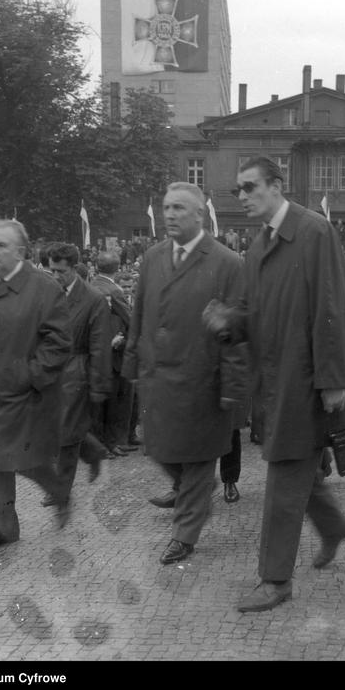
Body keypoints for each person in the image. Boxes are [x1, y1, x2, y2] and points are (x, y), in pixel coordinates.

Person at [204, 156, 345, 613]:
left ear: (276, 185)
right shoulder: (260, 243)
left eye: (250, 187)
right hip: (273, 381)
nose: (243, 196)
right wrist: (227, 322)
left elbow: (332, 309)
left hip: (304, 382)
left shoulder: (314, 232)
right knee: (295, 471)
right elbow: (251, 312)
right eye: (238, 190)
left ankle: (275, 581)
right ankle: (333, 527)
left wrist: (332, 380)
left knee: (283, 482)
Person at [122, 183, 247, 566]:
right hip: (158, 374)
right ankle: (190, 490)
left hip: (201, 380)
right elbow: (140, 313)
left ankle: (185, 533)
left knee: (198, 457)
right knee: (158, 448)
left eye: (179, 208)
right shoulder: (153, 256)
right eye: (166, 207)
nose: (170, 215)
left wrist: (233, 388)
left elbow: (238, 335)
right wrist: (132, 362)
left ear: (199, 215)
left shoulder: (227, 263)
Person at [0, 219, 72, 552]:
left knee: (21, 459)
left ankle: (58, 488)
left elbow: (60, 343)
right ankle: (4, 527)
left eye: (1, 245)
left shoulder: (43, 287)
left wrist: (28, 376)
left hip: (20, 395)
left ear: (20, 251)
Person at [40, 242, 112, 502]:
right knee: (56, 428)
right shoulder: (48, 294)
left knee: (67, 431)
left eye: (61, 271)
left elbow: (100, 347)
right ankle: (93, 452)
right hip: (50, 370)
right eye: (52, 271)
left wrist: (98, 384)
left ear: (75, 269)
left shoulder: (93, 299)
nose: (56, 276)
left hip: (76, 371)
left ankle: (61, 488)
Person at [90, 251, 134, 457]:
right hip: (114, 354)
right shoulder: (114, 290)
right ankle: (111, 442)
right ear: (117, 268)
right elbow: (130, 320)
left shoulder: (89, 285)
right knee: (115, 401)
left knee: (100, 404)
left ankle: (101, 444)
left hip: (94, 351)